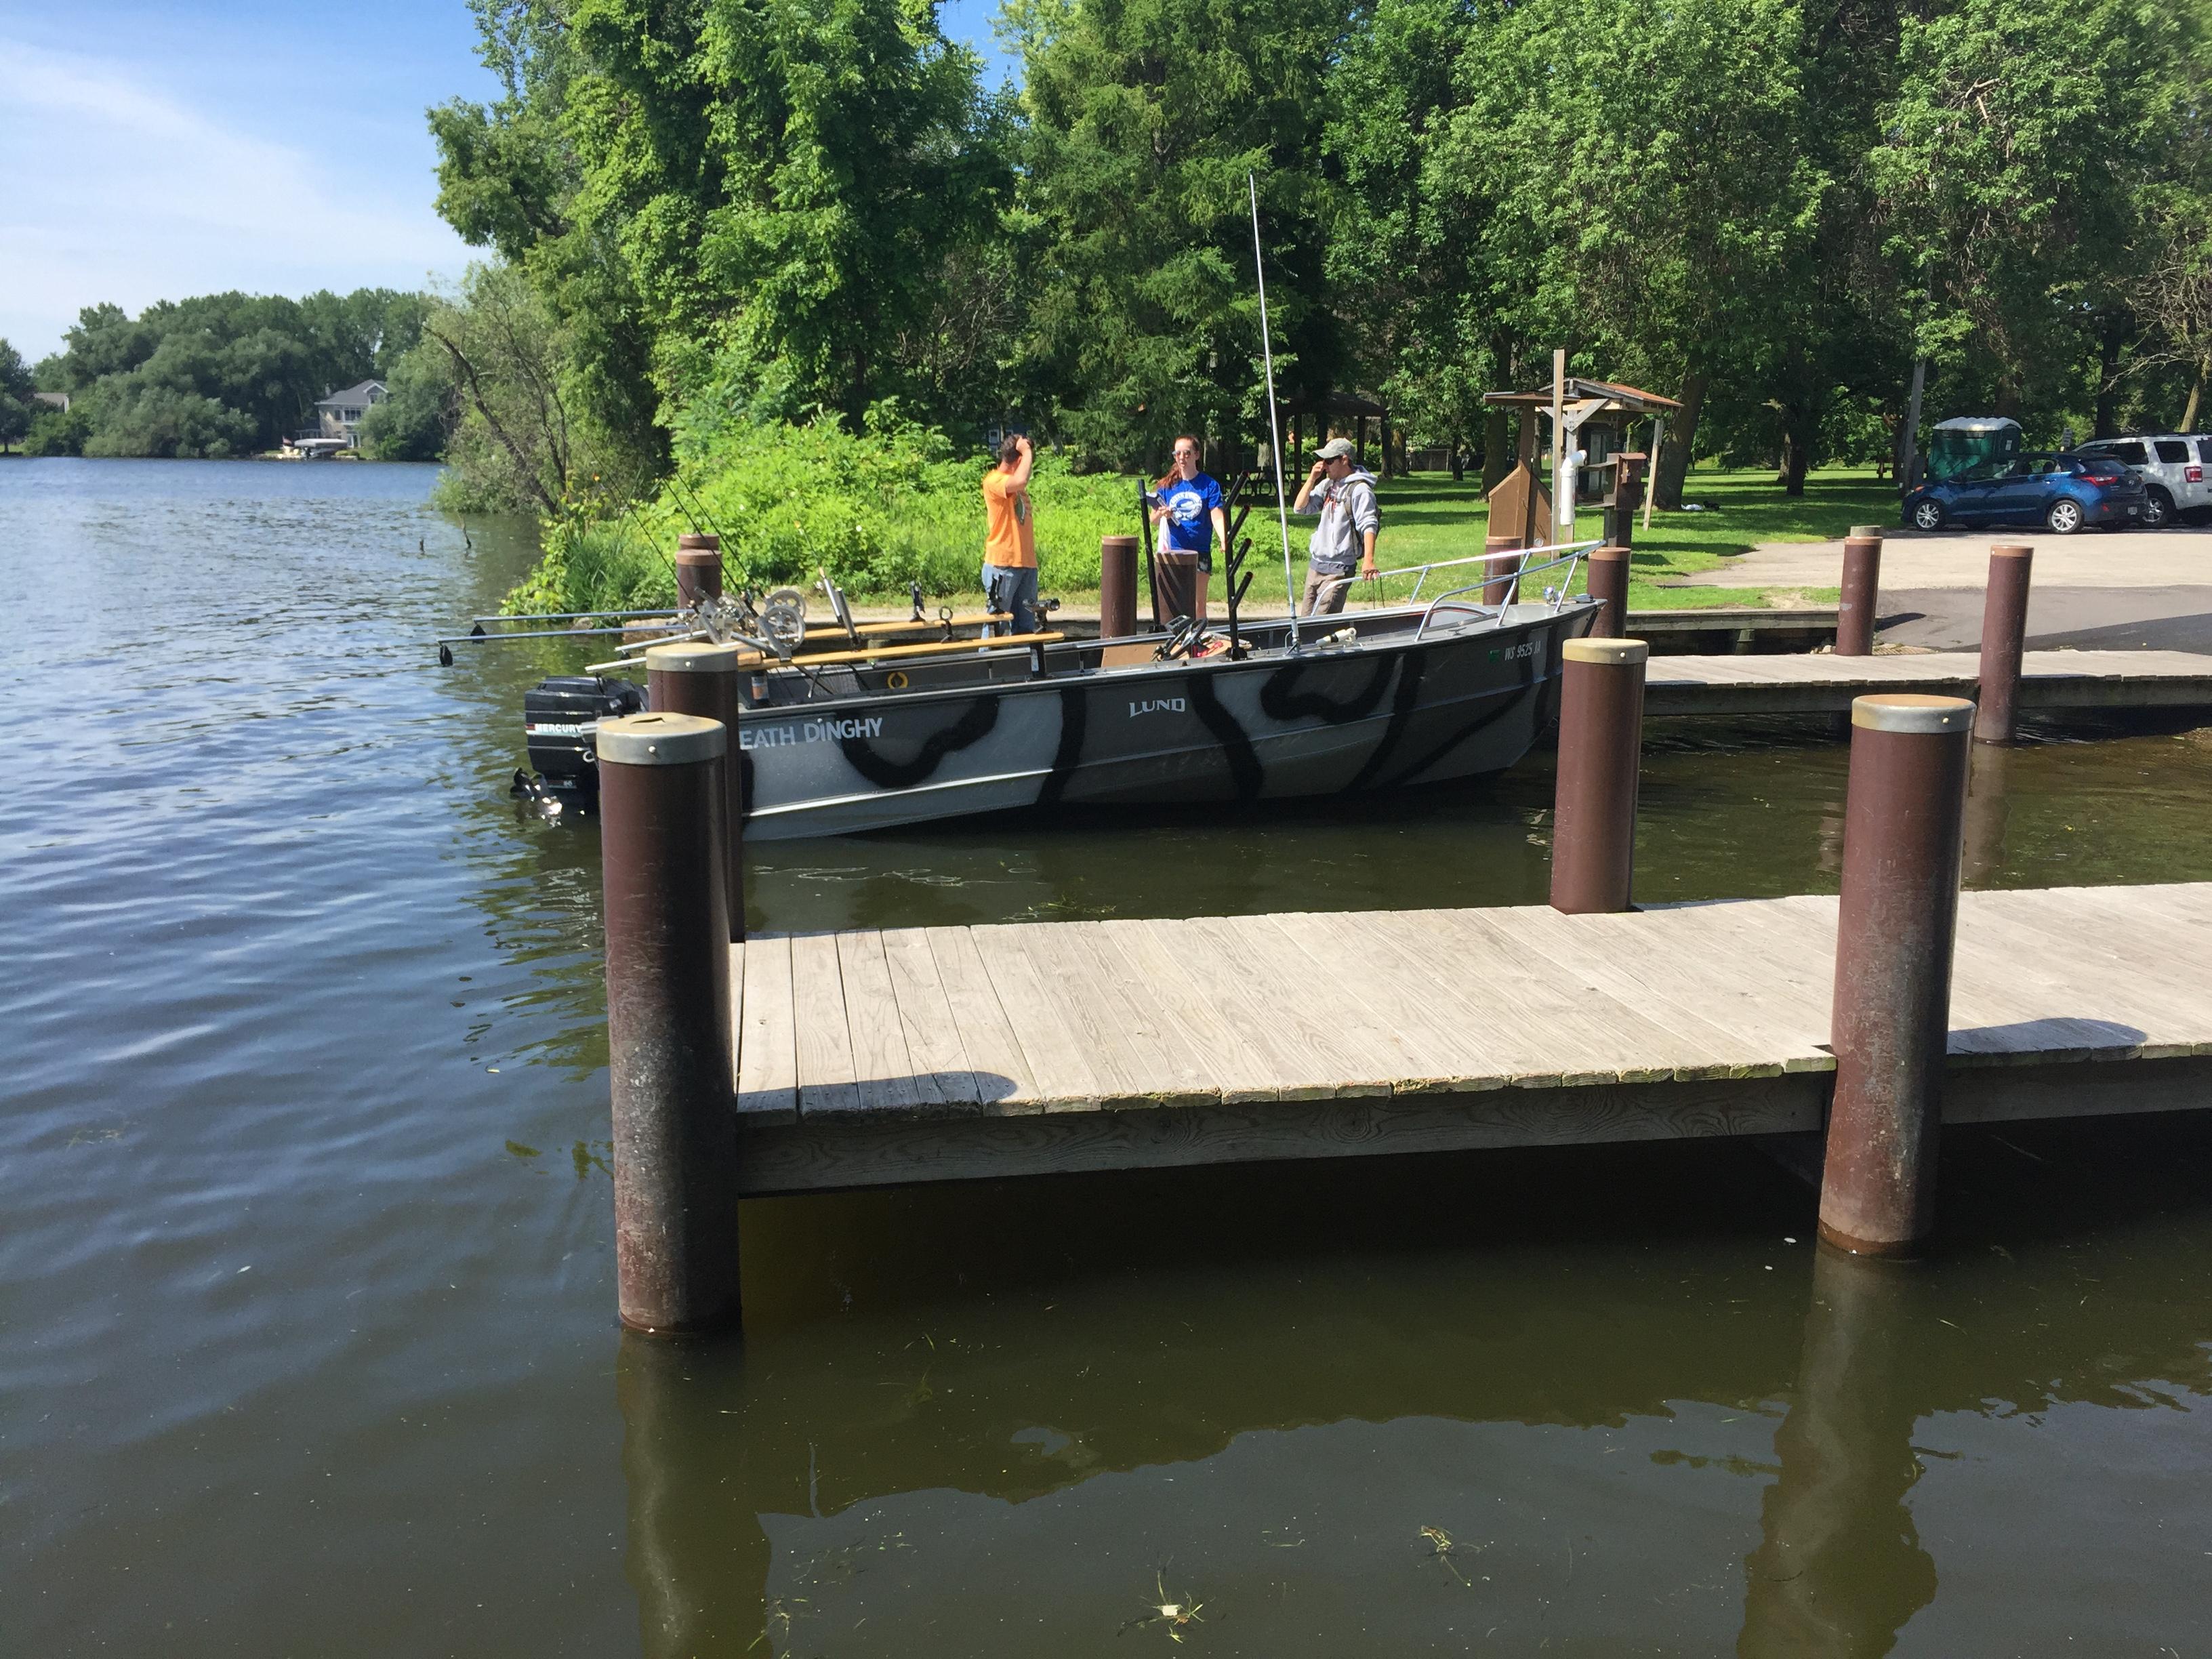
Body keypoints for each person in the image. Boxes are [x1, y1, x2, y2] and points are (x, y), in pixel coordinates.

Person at [1292, 436, 1379, 615]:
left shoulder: (1360, 490)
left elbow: (1369, 524)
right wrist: (1311, 479)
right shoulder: (1327, 485)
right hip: (1316, 565)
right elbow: (1299, 508)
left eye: (1329, 461)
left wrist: (1368, 560)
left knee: (1322, 622)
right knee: (1305, 622)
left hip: (1339, 568)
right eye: (1323, 460)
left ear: (1344, 460)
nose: (1324, 466)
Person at [1147, 436, 1228, 618]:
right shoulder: (1166, 486)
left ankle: (1198, 636)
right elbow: (1153, 519)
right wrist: (1163, 513)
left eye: (1187, 453)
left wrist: (1224, 539)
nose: (1182, 457)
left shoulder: (1209, 485)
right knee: (1174, 605)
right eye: (1178, 454)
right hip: (1173, 552)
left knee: (1198, 605)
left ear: (1197, 455)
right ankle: (1176, 636)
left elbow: (1216, 516)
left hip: (1200, 552)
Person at [980, 433, 1038, 636]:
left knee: (1026, 627)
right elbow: (1021, 480)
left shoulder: (1016, 486)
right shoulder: (994, 481)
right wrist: (1027, 450)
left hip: (1026, 564)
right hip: (1002, 565)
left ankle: (1025, 657)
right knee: (997, 627)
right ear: (1020, 460)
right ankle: (988, 658)